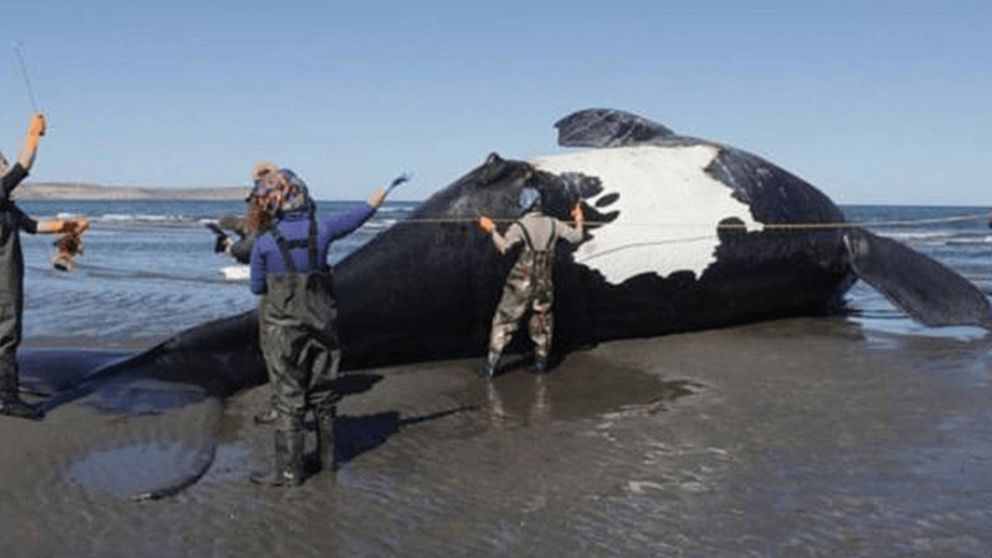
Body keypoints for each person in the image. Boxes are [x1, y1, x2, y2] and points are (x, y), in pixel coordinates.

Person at [248, 167, 389, 487]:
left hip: (283, 331)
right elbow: (360, 215)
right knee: (323, 392)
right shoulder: (323, 229)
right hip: (322, 324)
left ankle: (288, 472)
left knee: (288, 397)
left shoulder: (265, 243)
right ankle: (327, 460)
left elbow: (257, 288)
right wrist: (382, 194)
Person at [1, 113, 90, 420]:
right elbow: (22, 168)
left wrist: (68, 226)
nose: (4, 171)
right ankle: (6, 399)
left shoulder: (6, 206)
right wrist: (33, 135)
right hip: (3, 284)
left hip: (8, 279)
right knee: (6, 334)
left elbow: (33, 226)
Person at [477, 186, 584, 377]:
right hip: (545, 280)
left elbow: (504, 248)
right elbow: (577, 237)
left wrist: (491, 229)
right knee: (542, 319)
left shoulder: (519, 226)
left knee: (504, 320)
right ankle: (541, 364)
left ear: (524, 205)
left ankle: (491, 367)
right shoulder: (554, 223)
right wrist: (578, 218)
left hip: (521, 280)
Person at [208, 161, 279, 264]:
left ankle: (227, 244)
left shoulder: (263, 198)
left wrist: (232, 249)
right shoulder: (293, 197)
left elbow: (250, 247)